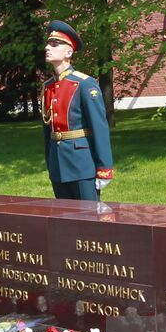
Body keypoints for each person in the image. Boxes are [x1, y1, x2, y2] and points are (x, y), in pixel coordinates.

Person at [41, 20, 114, 201]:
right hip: (58, 164)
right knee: (64, 221)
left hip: (81, 164)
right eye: (48, 43)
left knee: (89, 221)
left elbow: (99, 127)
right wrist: (50, 161)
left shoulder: (84, 84)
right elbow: (47, 129)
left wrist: (104, 169)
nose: (47, 47)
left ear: (68, 52)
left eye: (54, 44)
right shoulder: (48, 86)